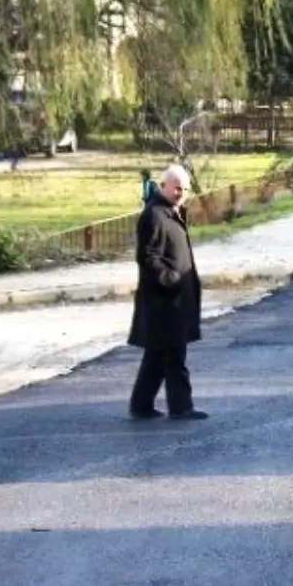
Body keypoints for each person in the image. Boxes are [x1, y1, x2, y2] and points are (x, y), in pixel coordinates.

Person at [126, 164, 207, 421]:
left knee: (158, 357)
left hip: (173, 301)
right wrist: (170, 278)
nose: (180, 193)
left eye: (184, 189)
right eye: (176, 188)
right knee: (174, 357)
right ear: (164, 187)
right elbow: (147, 256)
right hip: (164, 302)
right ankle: (181, 407)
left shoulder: (170, 213)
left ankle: (141, 405)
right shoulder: (155, 216)